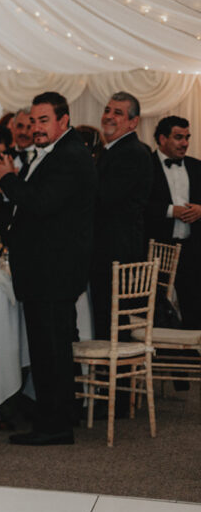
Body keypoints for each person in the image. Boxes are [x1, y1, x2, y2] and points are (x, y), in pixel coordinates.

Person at [0, 91, 97, 445]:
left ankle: (55, 426)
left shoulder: (70, 156)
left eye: (44, 120)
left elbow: (42, 203)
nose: (36, 127)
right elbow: (29, 209)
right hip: (46, 269)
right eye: (33, 121)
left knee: (52, 350)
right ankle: (56, 417)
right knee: (50, 349)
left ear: (64, 120)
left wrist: (7, 178)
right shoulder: (54, 154)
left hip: (54, 270)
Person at [91, 92, 152, 340]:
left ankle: (117, 377)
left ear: (133, 122)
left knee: (113, 325)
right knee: (104, 320)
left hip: (117, 252)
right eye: (107, 110)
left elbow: (103, 199)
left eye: (118, 112)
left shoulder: (132, 153)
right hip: (108, 249)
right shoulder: (110, 151)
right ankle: (110, 375)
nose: (109, 116)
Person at [145, 116, 201, 328]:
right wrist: (170, 211)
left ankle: (193, 356)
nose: (185, 143)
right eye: (178, 137)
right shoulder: (146, 166)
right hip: (156, 249)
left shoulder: (197, 167)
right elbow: (137, 205)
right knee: (156, 307)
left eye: (187, 137)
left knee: (194, 304)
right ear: (162, 138)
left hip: (192, 248)